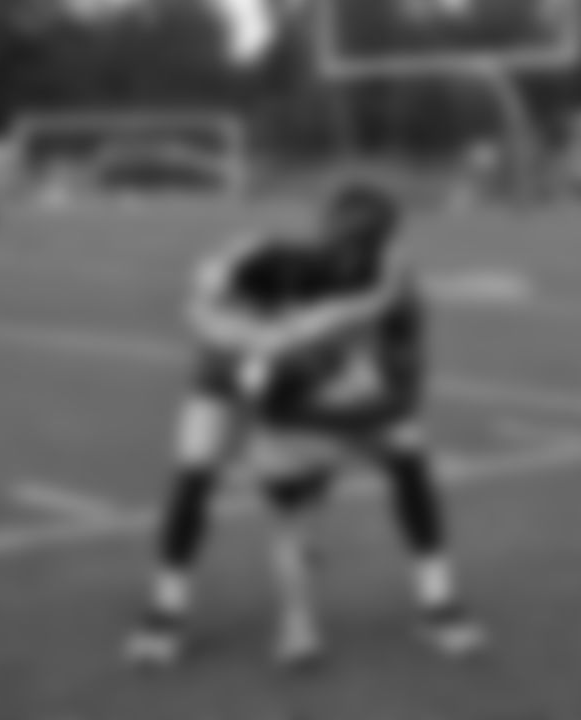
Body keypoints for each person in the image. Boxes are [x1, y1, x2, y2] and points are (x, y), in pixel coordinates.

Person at [124, 183, 486, 669]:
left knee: (408, 452)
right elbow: (199, 302)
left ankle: (437, 599)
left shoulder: (397, 296)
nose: (346, 259)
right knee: (196, 466)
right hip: (228, 373)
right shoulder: (281, 260)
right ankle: (166, 608)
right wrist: (247, 334)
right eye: (339, 246)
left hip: (306, 389)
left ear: (383, 247)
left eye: (360, 249)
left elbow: (401, 397)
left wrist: (298, 408)